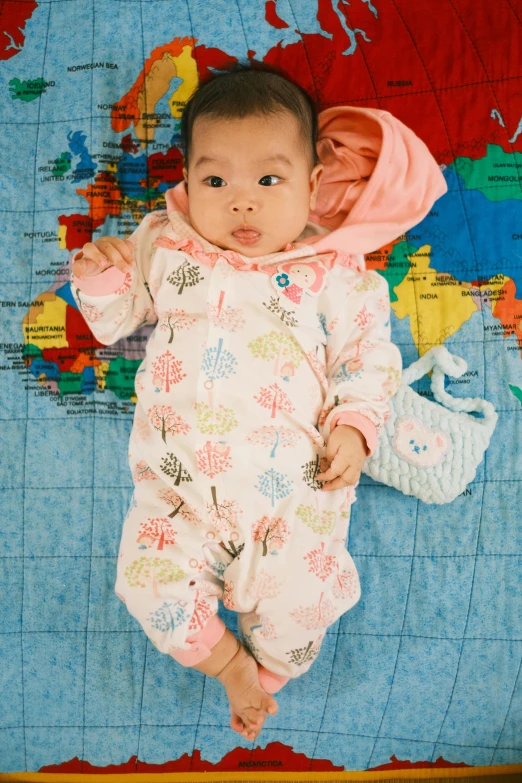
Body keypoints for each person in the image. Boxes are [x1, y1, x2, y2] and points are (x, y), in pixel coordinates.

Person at [70, 65, 446, 741]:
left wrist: (356, 428)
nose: (242, 203)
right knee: (146, 585)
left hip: (292, 495)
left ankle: (267, 673)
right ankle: (229, 666)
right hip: (179, 493)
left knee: (306, 605)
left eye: (269, 180)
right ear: (186, 181)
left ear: (312, 184)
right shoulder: (166, 242)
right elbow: (115, 319)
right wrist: (102, 274)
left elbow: (368, 356)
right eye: (216, 181)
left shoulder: (335, 270)